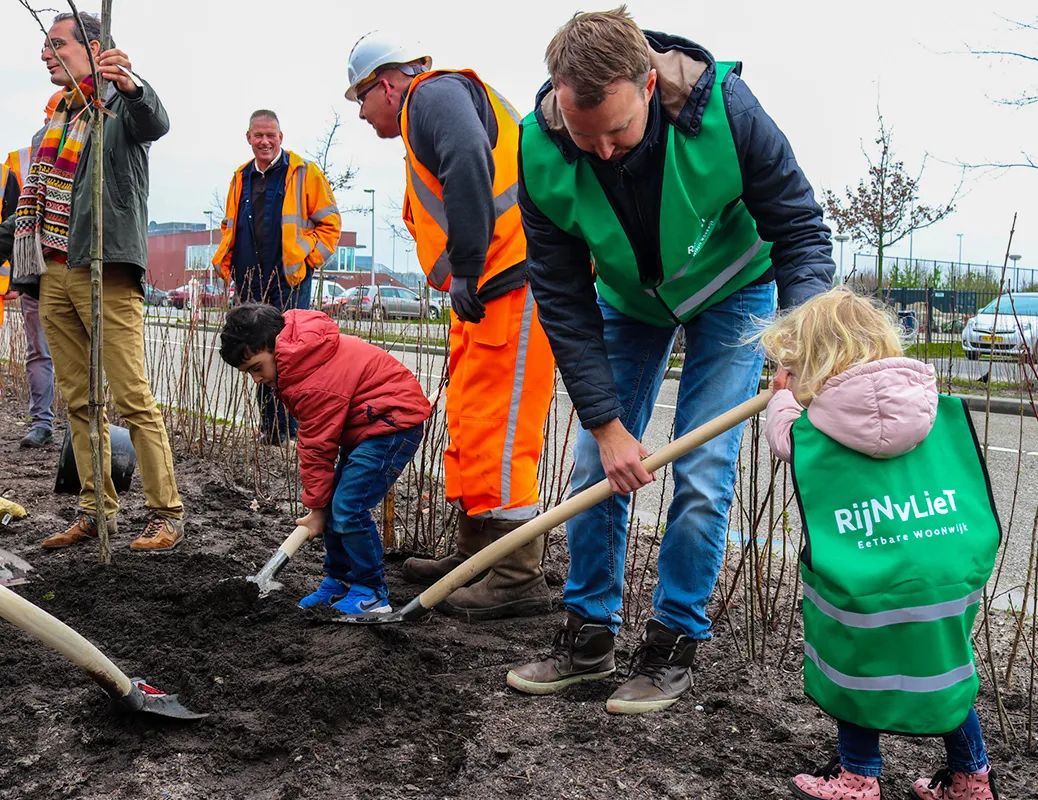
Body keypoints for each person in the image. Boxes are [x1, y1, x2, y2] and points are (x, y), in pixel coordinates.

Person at [507, 7, 835, 714]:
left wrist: (801, 345)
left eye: (617, 133)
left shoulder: (728, 112)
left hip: (733, 288)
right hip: (628, 299)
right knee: (596, 467)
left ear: (649, 84)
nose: (600, 152)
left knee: (704, 469)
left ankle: (673, 641)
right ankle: (589, 635)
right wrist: (604, 423)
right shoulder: (539, 149)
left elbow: (802, 232)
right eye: (582, 134)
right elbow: (562, 296)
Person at [756, 287, 1000, 800]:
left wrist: (781, 394)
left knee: (858, 673)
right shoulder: (932, 404)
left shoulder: (817, 420)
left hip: (864, 573)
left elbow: (785, 437)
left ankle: (859, 778)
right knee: (946, 674)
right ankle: (972, 779)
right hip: (944, 570)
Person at [344, 33, 556, 619]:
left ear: (386, 84)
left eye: (361, 99)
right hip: (492, 287)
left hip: (515, 278)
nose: (361, 114)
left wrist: (465, 264)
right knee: (469, 418)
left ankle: (516, 576)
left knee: (503, 429)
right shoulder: (427, 110)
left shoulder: (432, 97)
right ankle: (475, 557)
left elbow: (467, 156)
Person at [0, 12, 184, 552]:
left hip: (103, 269)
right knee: (78, 402)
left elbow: (155, 121)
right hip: (53, 275)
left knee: (131, 396)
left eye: (55, 44)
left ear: (93, 45)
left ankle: (166, 513)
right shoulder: (50, 126)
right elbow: (28, 214)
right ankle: (95, 512)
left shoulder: (117, 108)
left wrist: (131, 83)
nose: (44, 53)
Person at [219, 303, 430, 614]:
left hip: (392, 425)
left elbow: (317, 448)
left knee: (348, 506)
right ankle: (340, 580)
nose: (255, 379)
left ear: (276, 346)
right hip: (368, 425)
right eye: (247, 372)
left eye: (256, 368)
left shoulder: (311, 379)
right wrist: (320, 503)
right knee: (336, 501)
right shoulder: (298, 360)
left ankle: (372, 592)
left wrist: (318, 510)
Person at [212, 110, 341, 446]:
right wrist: (226, 264)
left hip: (288, 281)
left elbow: (330, 225)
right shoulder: (241, 177)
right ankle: (270, 429)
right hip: (249, 281)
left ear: (281, 137)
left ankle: (292, 430)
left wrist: (309, 260)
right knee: (256, 353)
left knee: (290, 353)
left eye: (271, 135)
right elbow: (230, 225)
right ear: (249, 138)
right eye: (258, 136)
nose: (265, 141)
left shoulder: (303, 172)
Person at [0, 94, 62, 449]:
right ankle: (42, 422)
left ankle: (90, 428)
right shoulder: (27, 156)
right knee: (39, 350)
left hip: (73, 268)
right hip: (34, 271)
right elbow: (18, 215)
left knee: (80, 353)